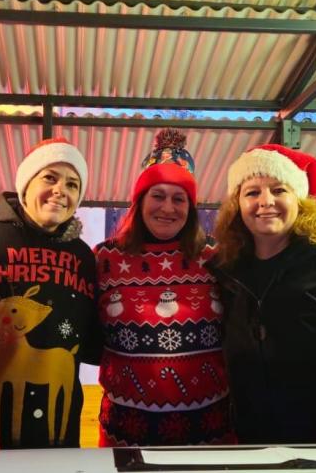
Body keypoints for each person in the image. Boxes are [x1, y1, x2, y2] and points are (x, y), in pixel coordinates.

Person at [208, 144, 316, 444]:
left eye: (279, 190)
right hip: (249, 437)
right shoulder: (226, 267)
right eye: (252, 192)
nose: (266, 202)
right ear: (236, 204)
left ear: (300, 200)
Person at [95, 129, 232, 446]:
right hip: (126, 433)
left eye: (179, 198)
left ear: (191, 206)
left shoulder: (217, 258)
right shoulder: (105, 258)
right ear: (140, 201)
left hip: (209, 433)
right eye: (157, 196)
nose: (167, 208)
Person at [0, 138, 100, 448]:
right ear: (26, 183)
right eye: (50, 177)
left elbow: (90, 340)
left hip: (60, 435)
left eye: (73, 185)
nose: (61, 190)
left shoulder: (83, 257)